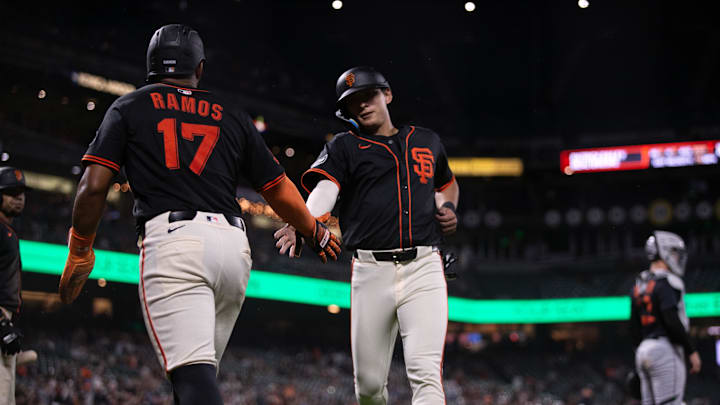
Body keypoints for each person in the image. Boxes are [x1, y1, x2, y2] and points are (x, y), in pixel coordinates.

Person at [58, 24, 340, 405]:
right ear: (200, 69)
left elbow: (93, 187)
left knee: (193, 382)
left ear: (151, 66)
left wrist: (79, 250)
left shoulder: (130, 105)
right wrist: (314, 230)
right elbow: (277, 187)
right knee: (195, 379)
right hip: (233, 249)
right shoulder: (231, 114)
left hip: (175, 245)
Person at [274, 66, 459, 404]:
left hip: (425, 267)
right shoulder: (345, 146)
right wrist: (306, 221)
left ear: (386, 94)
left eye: (368, 95)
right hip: (371, 272)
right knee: (370, 386)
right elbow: (326, 189)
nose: (361, 104)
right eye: (352, 102)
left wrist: (448, 208)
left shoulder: (427, 140)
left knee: (426, 372)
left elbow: (447, 184)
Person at [630, 230, 701, 405]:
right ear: (665, 251)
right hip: (665, 349)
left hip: (643, 350)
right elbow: (671, 319)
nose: (677, 258)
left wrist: (640, 355)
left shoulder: (639, 283)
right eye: (675, 253)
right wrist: (691, 350)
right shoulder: (668, 281)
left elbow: (633, 326)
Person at [0, 167, 30, 405]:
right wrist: (1, 323)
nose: (19, 197)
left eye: (21, 192)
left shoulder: (9, 230)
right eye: (11, 192)